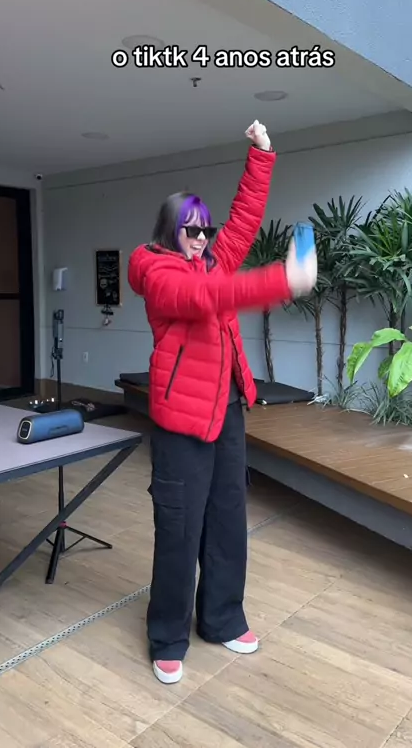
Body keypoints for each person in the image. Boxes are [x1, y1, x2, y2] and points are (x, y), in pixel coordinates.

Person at [128, 120, 317, 685]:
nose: (201, 237)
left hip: (228, 409)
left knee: (228, 519)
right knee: (179, 528)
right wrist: (283, 280)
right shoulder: (157, 272)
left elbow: (244, 220)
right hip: (181, 419)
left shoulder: (213, 258)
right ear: (169, 231)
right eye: (190, 229)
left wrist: (262, 155)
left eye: (204, 229)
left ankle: (223, 618)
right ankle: (167, 636)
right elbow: (205, 296)